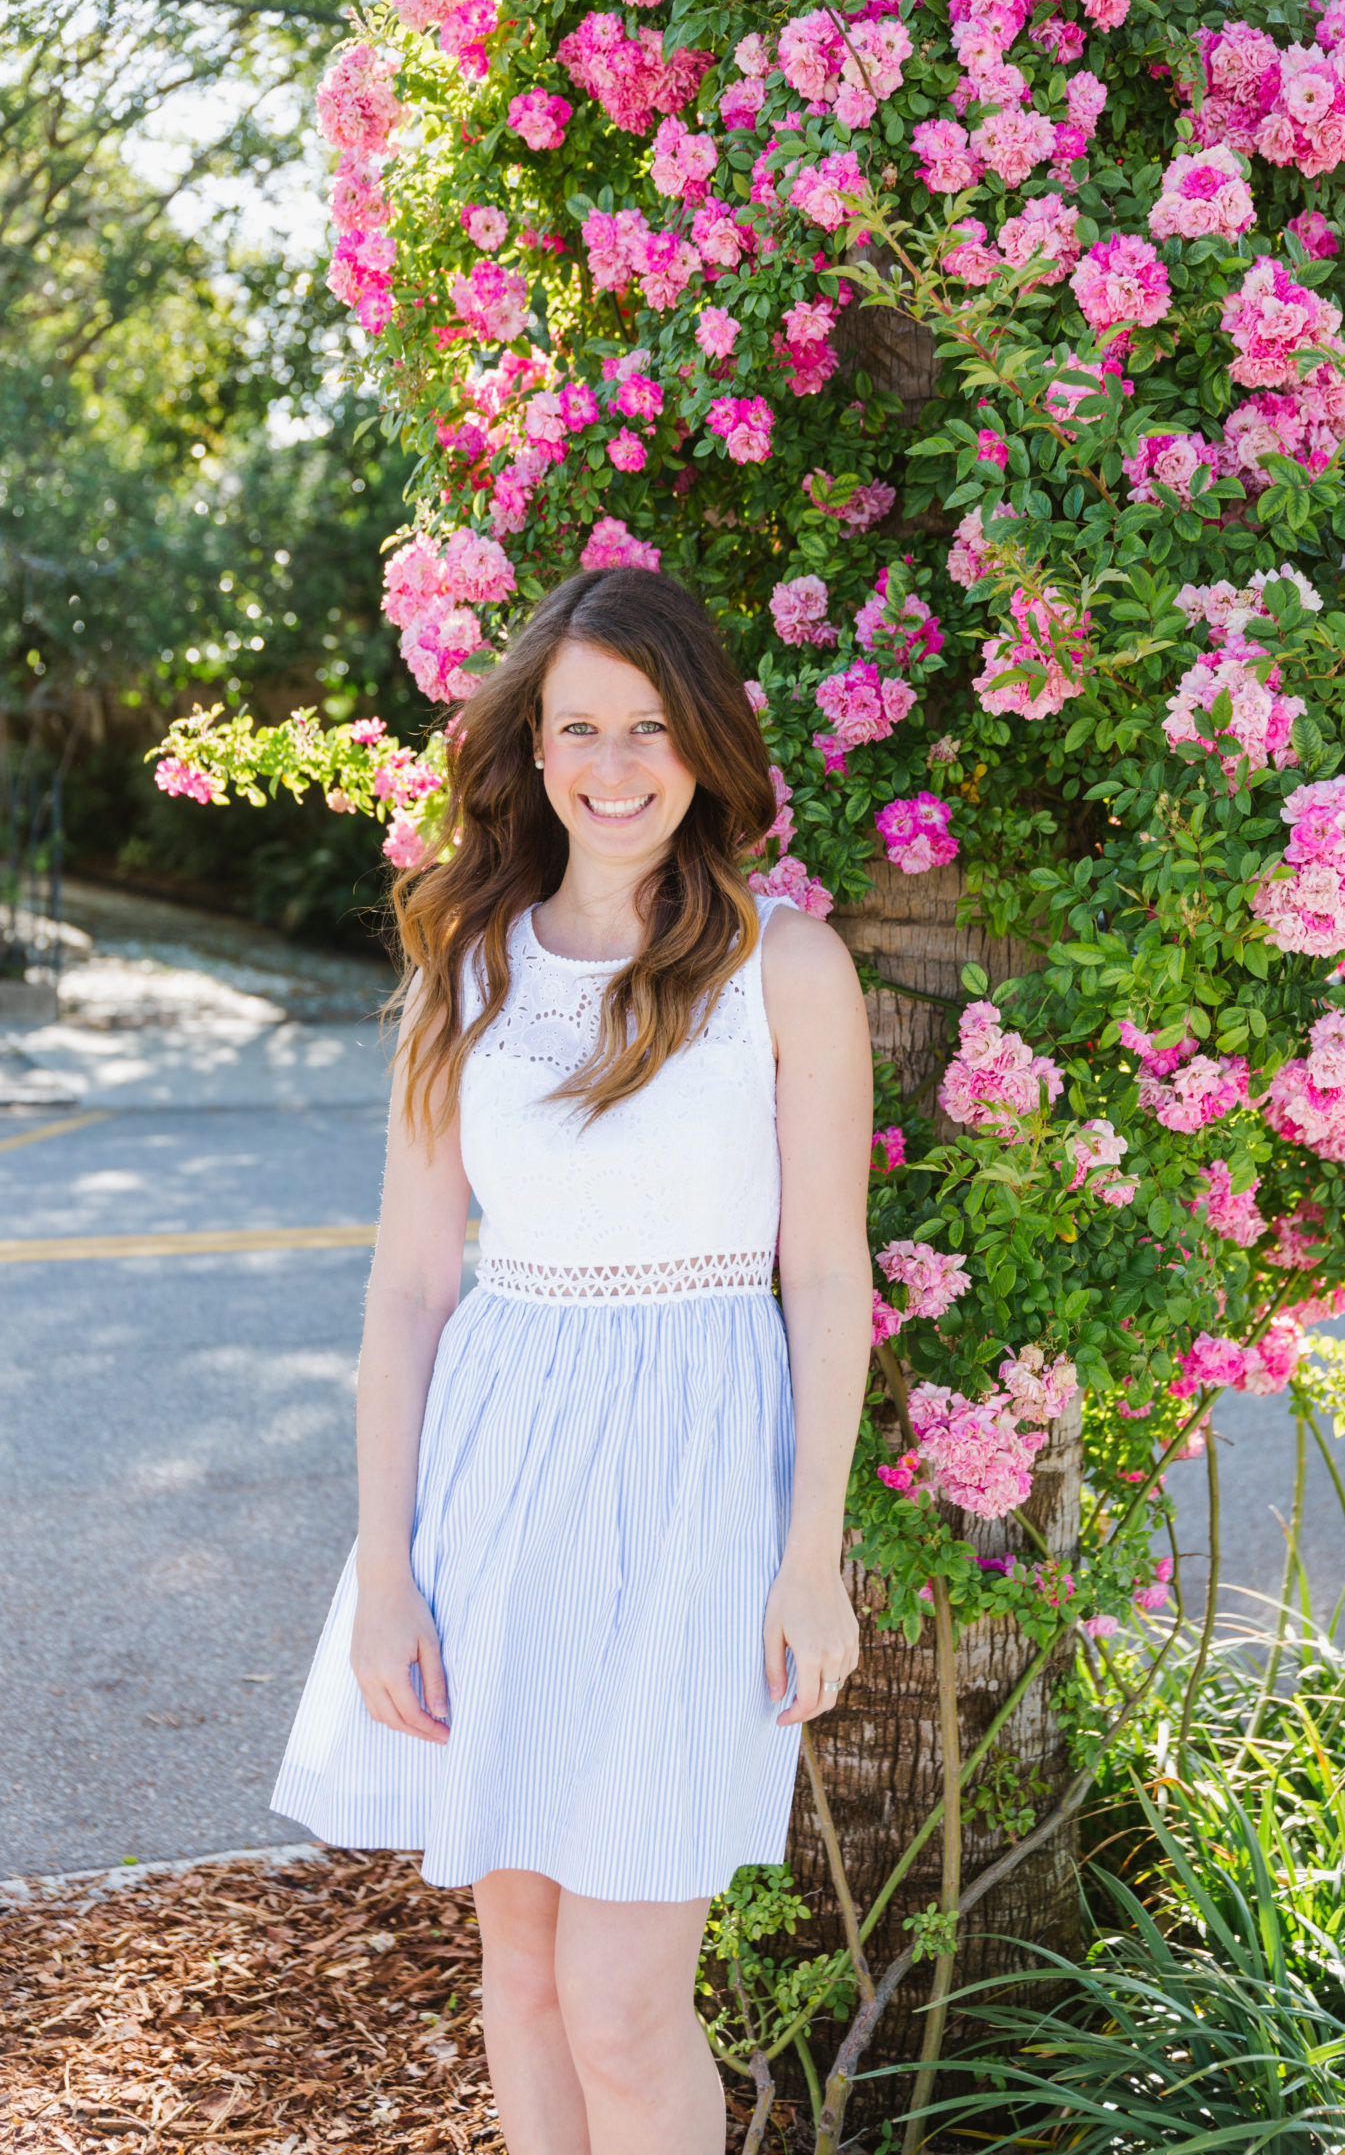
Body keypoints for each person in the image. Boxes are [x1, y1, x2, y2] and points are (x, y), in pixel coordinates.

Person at [270, 566, 874, 2154]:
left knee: (620, 2000)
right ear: (532, 754)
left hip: (697, 1495)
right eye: (580, 729)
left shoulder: (787, 969)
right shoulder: (464, 964)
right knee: (523, 1980)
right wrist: (386, 1572)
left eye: (651, 729)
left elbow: (824, 1274)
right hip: (502, 1484)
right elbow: (408, 1291)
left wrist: (811, 1561)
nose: (617, 767)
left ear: (708, 749)